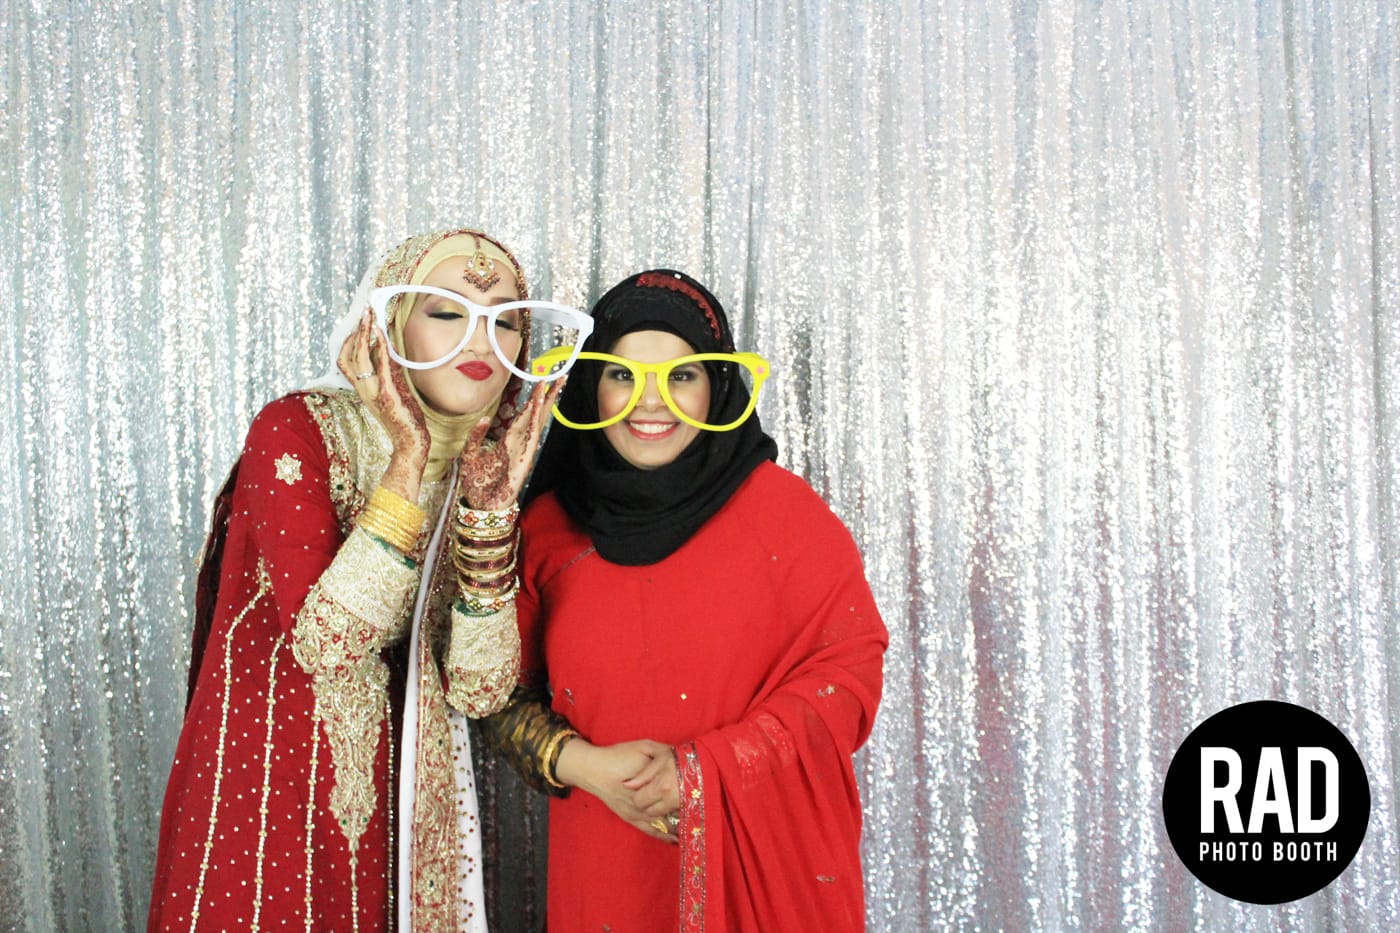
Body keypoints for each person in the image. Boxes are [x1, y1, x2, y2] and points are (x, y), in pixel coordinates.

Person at [149, 229, 581, 931]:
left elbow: (477, 688)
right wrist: (408, 458)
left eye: (506, 320)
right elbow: (328, 643)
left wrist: (490, 517)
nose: (481, 340)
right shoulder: (296, 429)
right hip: (271, 787)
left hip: (403, 796)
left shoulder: (484, 464)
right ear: (387, 325)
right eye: (448, 311)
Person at [484, 270, 888, 932]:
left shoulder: (789, 520)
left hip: (762, 876)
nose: (651, 401)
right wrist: (588, 767)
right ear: (589, 384)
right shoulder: (549, 530)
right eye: (622, 375)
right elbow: (491, 693)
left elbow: (847, 677)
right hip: (606, 867)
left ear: (717, 385)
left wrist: (700, 773)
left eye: (681, 375)